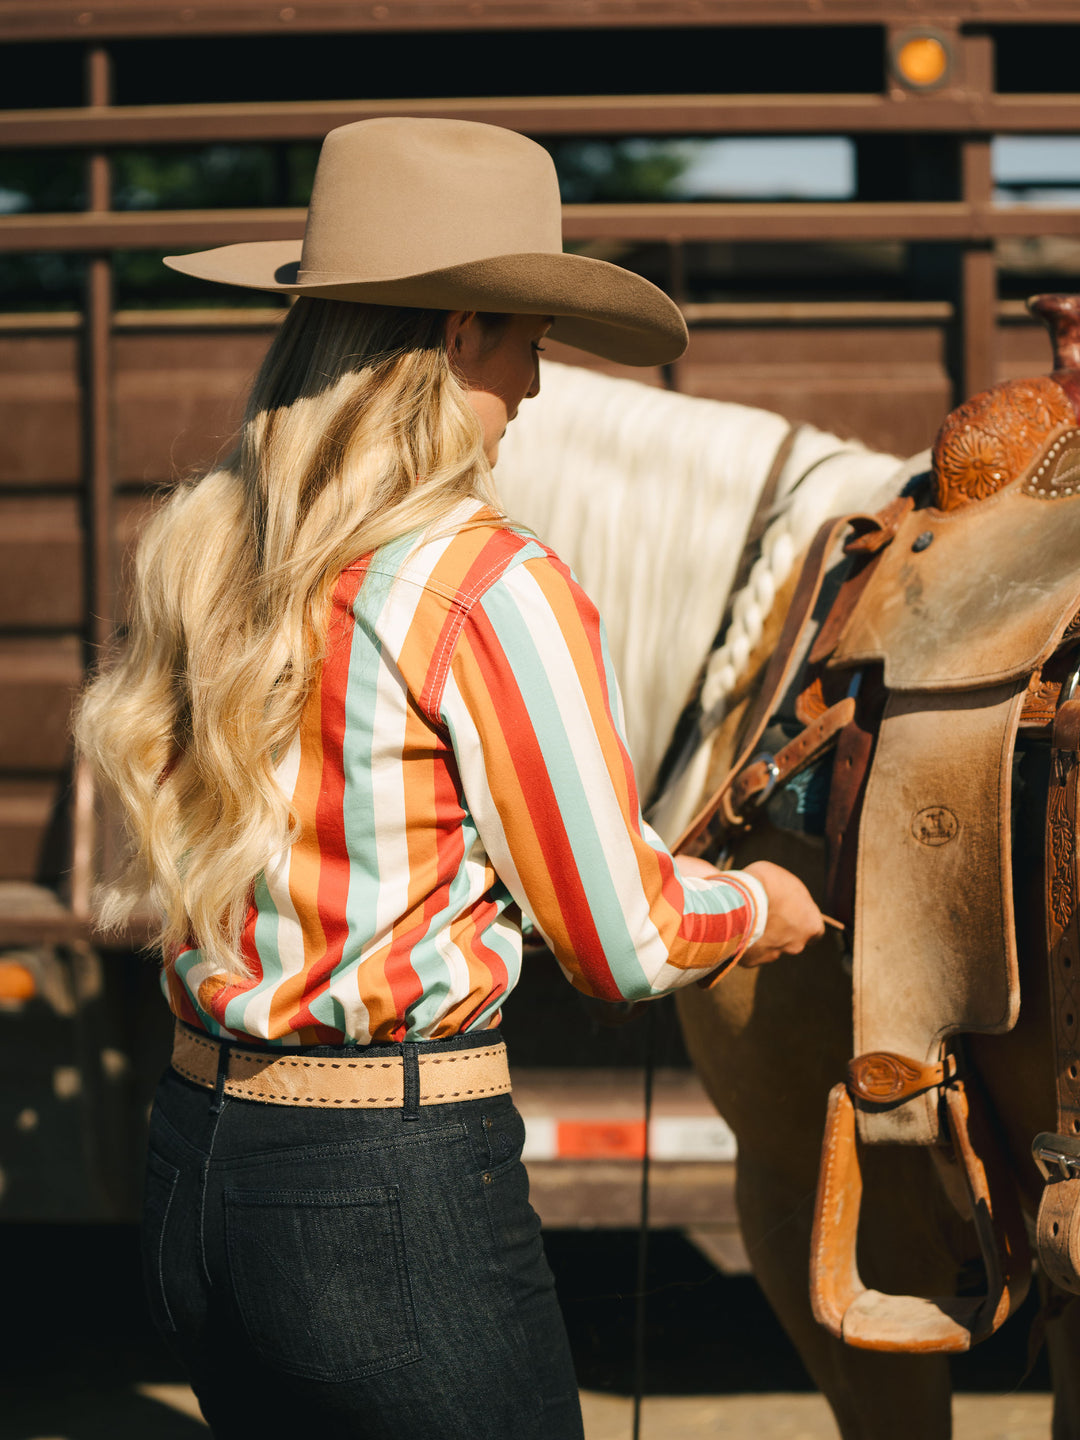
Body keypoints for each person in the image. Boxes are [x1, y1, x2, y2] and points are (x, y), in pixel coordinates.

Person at [75, 117, 823, 1439]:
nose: (537, 386)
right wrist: (760, 903)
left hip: (195, 1163)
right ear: (465, 327)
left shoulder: (207, 547)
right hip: (390, 1182)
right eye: (531, 338)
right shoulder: (487, 582)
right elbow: (628, 943)